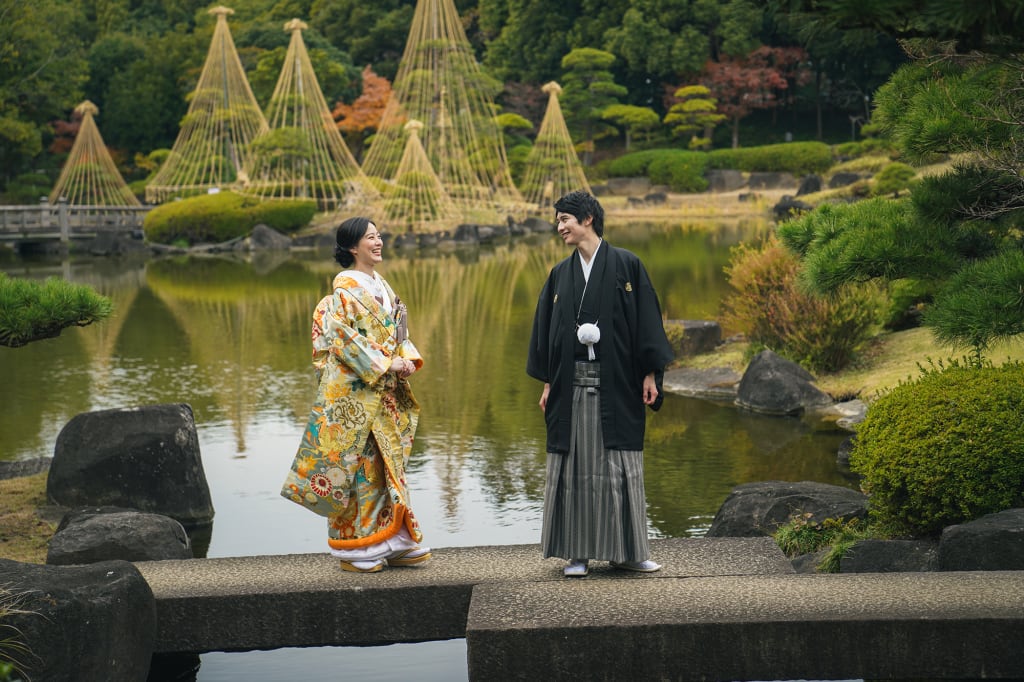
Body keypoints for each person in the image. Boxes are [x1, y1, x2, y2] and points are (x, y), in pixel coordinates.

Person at [527, 190, 674, 578]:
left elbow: (646, 321)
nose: (559, 227)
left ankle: (629, 552)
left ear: (587, 218)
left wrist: (650, 373)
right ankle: (577, 554)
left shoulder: (627, 265)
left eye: (565, 219)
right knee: (574, 468)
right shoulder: (560, 274)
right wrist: (547, 382)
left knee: (620, 467)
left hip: (619, 383)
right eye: (558, 221)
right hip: (571, 383)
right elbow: (547, 332)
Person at [281, 216, 430, 573]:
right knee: (360, 468)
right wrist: (385, 364)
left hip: (385, 394)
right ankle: (357, 547)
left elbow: (398, 335)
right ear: (352, 246)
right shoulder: (341, 296)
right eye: (370, 238)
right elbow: (340, 344)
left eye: (379, 236)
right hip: (358, 397)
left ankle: (394, 538)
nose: (378, 243)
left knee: (388, 466)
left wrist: (406, 359)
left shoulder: (383, 287)